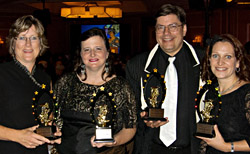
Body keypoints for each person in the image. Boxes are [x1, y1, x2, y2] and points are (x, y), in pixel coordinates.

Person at [125, 4, 204, 154]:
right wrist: (142, 117)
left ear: (184, 29)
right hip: (151, 148)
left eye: (173, 26)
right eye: (160, 27)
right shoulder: (137, 65)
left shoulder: (205, 61)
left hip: (193, 149)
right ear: (155, 32)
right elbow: (130, 111)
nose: (166, 33)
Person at [54, 28, 137, 154]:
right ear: (81, 55)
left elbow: (130, 128)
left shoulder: (121, 86)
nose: (92, 54)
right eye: (87, 50)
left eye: (98, 49)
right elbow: (54, 115)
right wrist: (54, 129)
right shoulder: (65, 82)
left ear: (107, 53)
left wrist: (114, 140)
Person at [0, 15, 55, 154]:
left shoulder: (45, 77)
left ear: (41, 43)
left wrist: (53, 126)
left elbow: (48, 114)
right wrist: (17, 136)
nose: (28, 44)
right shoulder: (2, 73)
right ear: (13, 43)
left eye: (34, 38)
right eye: (22, 38)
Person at [196, 34, 250, 153]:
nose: (220, 62)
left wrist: (227, 147)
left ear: (237, 62)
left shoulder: (246, 94)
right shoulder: (211, 92)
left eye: (228, 57)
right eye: (216, 56)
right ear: (209, 60)